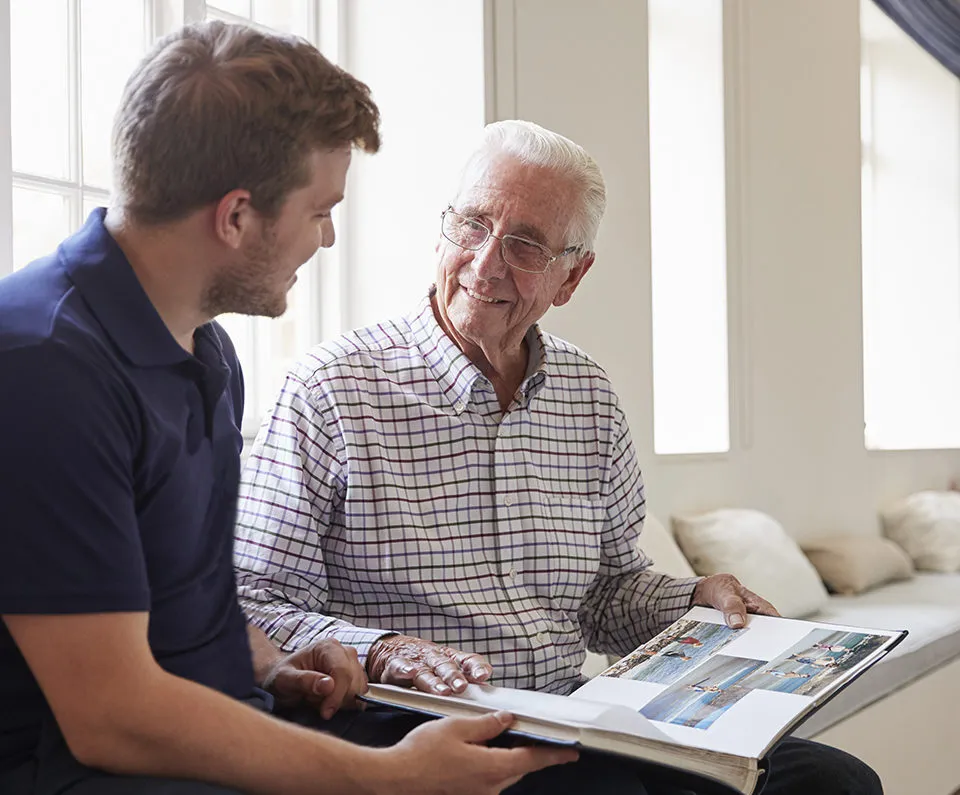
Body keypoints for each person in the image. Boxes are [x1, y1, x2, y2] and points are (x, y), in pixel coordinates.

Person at [0, 23, 577, 795]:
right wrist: (388, 776)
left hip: (216, 724)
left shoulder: (206, 352)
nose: (329, 236)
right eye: (319, 210)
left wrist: (275, 663)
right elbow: (111, 714)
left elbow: (184, 602)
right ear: (236, 217)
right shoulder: (42, 365)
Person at [235, 120, 883, 794]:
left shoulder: (589, 394)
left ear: (572, 275)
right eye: (473, 225)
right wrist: (384, 649)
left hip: (572, 717)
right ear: (442, 228)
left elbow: (606, 592)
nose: (486, 263)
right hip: (410, 726)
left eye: (525, 245)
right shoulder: (329, 388)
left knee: (833, 781)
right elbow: (253, 600)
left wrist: (693, 598)